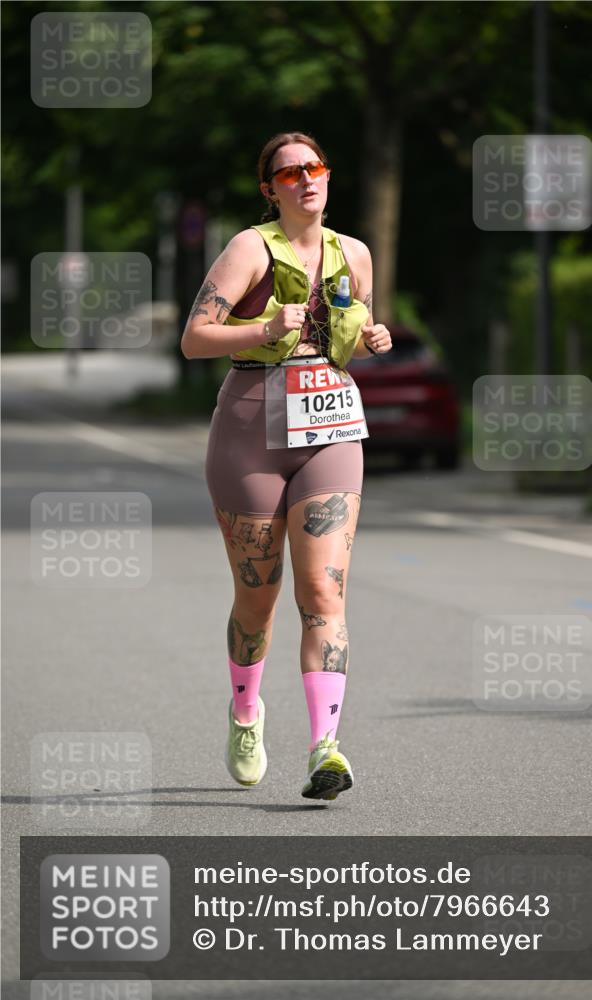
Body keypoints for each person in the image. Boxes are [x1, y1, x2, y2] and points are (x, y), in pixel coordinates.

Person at [181, 131, 392, 802]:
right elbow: (194, 339)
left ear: (328, 177)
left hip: (329, 428)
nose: (305, 179)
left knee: (324, 593)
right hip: (251, 431)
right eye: (289, 172)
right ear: (270, 189)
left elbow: (351, 333)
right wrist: (264, 329)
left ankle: (325, 747)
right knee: (258, 597)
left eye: (314, 167)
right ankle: (246, 711)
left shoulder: (354, 254)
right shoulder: (249, 248)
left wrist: (372, 337)